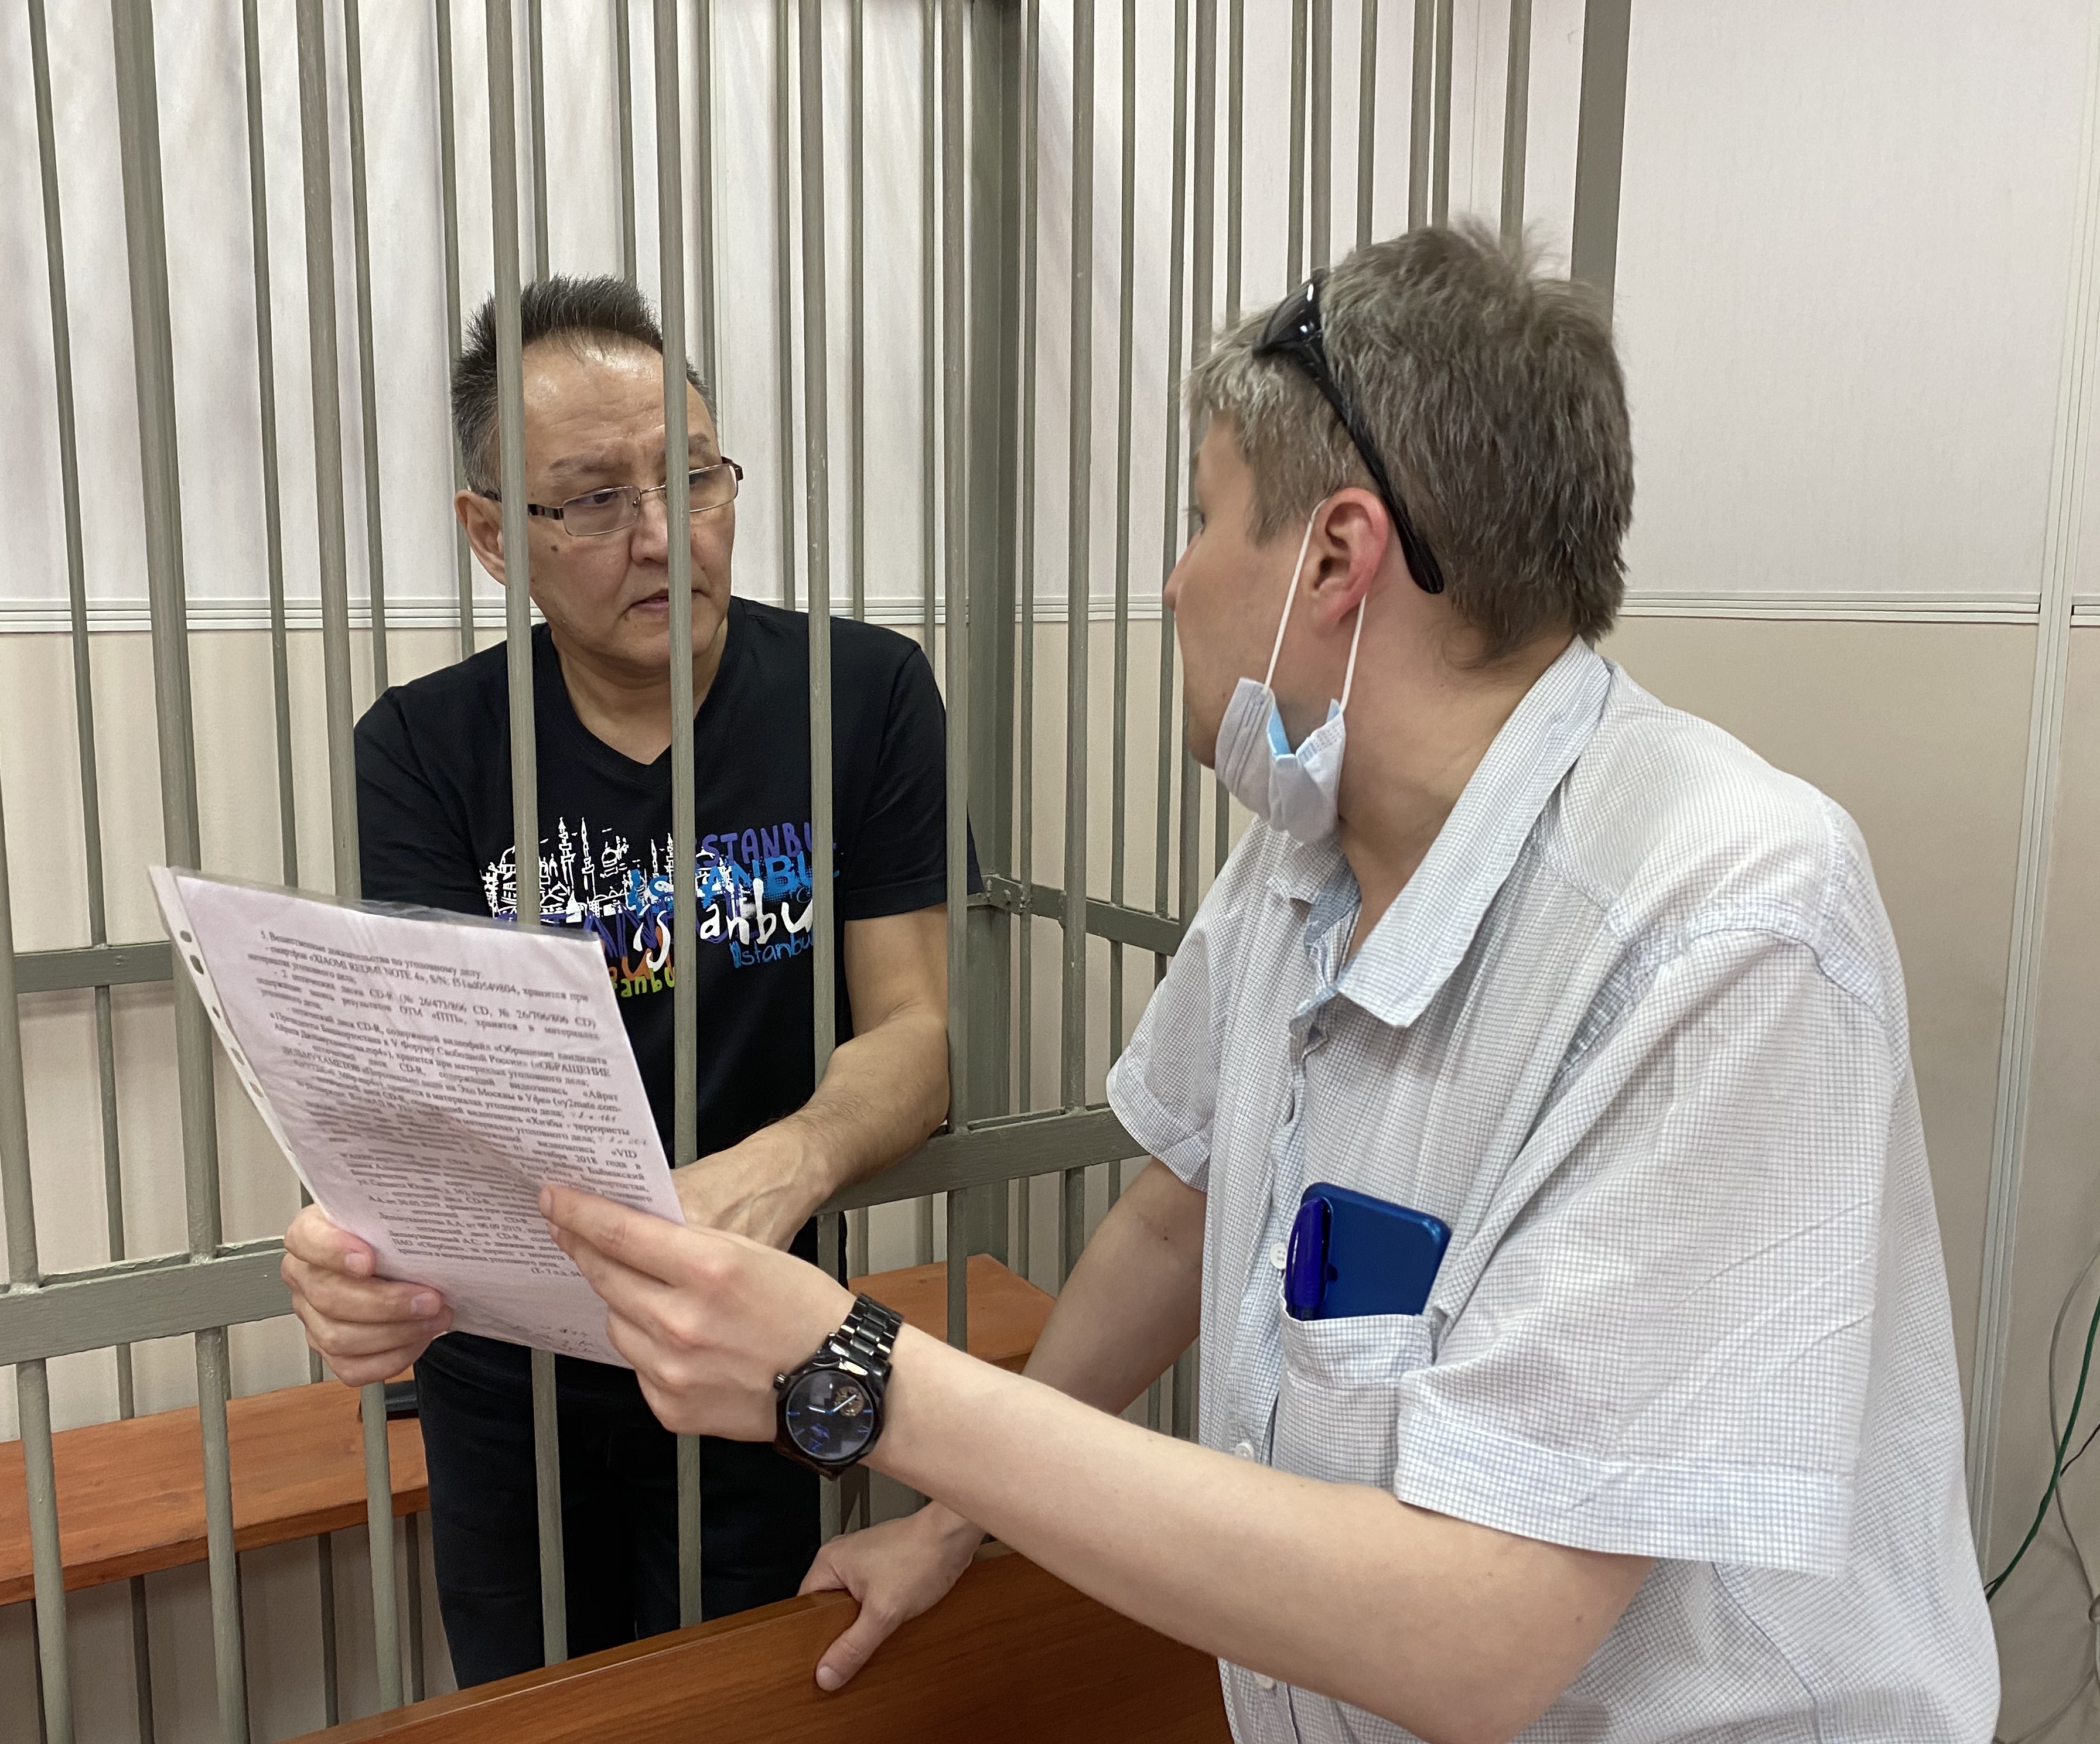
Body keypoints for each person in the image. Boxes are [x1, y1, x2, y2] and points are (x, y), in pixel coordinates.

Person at [539, 225, 2002, 1743]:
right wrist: (950, 1523)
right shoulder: (1304, 849)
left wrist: (860, 1375)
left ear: (1337, 558)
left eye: (1202, 518)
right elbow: (1179, 1217)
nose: (1175, 581)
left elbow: (1483, 1631)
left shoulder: (1728, 921)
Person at [278, 276, 963, 1684]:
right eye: (594, 499)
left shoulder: (864, 696)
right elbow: (423, 1096)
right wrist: (343, 1240)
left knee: (747, 1696)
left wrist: (786, 1165)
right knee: (538, 1703)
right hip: (506, 1368)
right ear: (492, 534)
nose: (662, 534)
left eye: (691, 476)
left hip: (751, 1324)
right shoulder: (423, 751)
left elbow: (917, 1033)